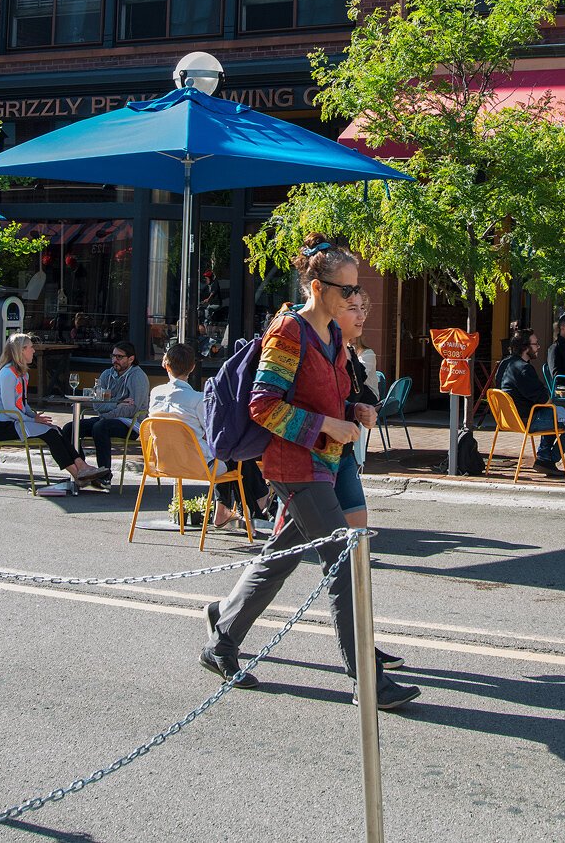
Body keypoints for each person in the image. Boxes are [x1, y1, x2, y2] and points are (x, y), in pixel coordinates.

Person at [201, 236, 418, 710]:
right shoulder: (288, 331)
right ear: (318, 288)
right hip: (293, 465)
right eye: (347, 290)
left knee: (280, 557)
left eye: (357, 288)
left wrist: (354, 408)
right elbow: (263, 406)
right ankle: (368, 680)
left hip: (324, 462)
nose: (355, 297)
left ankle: (222, 637)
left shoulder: (333, 335)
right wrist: (329, 425)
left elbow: (328, 395)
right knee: (342, 559)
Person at [0, 332, 106, 492]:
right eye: (30, 348)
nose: (33, 351)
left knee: (56, 429)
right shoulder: (7, 374)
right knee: (51, 434)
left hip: (17, 421)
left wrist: (33, 416)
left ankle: (81, 466)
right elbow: (10, 409)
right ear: (21, 351)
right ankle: (78, 474)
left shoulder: (23, 374)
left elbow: (22, 404)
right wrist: (31, 421)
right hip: (3, 426)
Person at [148, 342, 237, 528]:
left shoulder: (155, 393)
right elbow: (213, 432)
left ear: (166, 364)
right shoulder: (198, 399)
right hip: (198, 466)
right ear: (193, 367)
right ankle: (229, 509)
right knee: (231, 452)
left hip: (162, 463)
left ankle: (234, 508)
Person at [499, 329, 565, 472]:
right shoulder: (524, 369)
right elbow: (545, 400)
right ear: (525, 347)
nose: (538, 347)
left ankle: (544, 455)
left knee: (555, 413)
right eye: (535, 344)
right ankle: (550, 459)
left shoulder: (505, 364)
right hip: (528, 420)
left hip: (509, 418)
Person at [334, 289, 380, 528]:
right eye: (353, 308)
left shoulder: (352, 354)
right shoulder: (316, 353)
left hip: (344, 455)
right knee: (290, 544)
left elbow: (358, 399)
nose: (361, 315)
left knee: (357, 532)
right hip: (311, 462)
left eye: (362, 309)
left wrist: (362, 411)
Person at [79, 341, 149, 476]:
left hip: (131, 424)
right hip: (106, 419)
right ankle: (81, 469)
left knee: (100, 427)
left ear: (131, 359)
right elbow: (97, 404)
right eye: (113, 356)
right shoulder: (106, 374)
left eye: (119, 357)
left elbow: (133, 409)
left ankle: (104, 476)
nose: (114, 360)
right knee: (71, 428)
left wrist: (107, 413)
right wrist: (118, 403)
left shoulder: (137, 377)